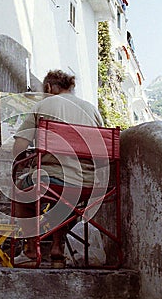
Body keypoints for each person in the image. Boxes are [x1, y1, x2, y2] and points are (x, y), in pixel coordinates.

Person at [12, 70, 103, 268]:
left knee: (21, 189)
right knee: (66, 199)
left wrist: (23, 160)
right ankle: (57, 249)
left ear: (48, 87)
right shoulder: (92, 110)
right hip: (86, 184)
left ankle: (29, 250)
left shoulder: (43, 105)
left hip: (51, 179)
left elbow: (19, 145)